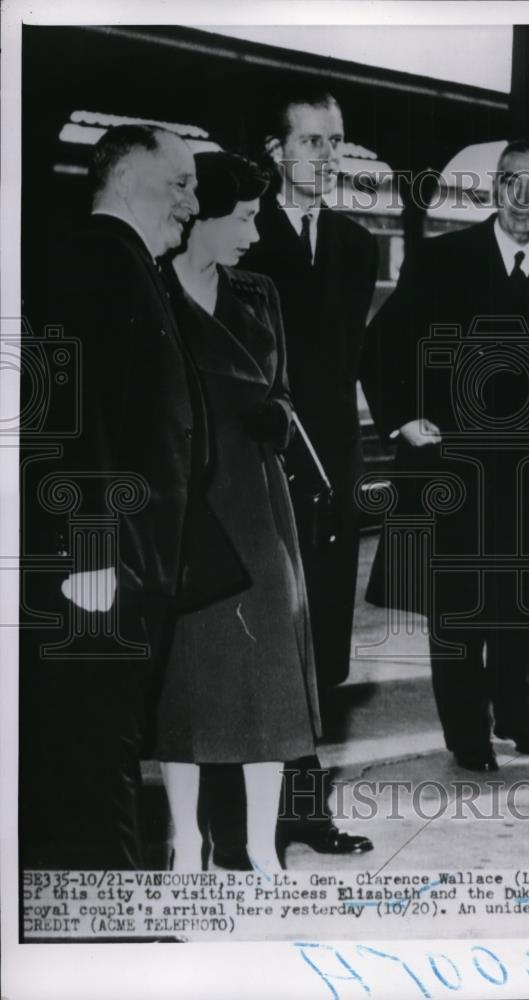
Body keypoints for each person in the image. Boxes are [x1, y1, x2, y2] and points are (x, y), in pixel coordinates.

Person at [19, 125, 247, 869]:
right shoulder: (93, 258)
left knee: (104, 733)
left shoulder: (128, 263)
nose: (192, 201)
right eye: (178, 183)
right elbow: (68, 412)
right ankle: (110, 920)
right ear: (123, 180)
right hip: (100, 559)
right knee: (97, 738)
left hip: (131, 555)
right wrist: (88, 548)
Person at [363, 140, 529, 772]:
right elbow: (379, 345)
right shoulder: (442, 259)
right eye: (510, 182)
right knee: (458, 609)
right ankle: (467, 736)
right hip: (455, 468)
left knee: (525, 606)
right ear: (493, 189)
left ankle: (517, 718)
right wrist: (401, 420)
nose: (523, 198)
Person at [154, 151, 322, 872]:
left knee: (269, 679)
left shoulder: (259, 291)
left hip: (256, 501)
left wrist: (277, 418)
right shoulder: (151, 291)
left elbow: (284, 389)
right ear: (204, 215)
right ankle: (185, 842)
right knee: (185, 684)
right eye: (246, 217)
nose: (256, 232)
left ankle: (259, 846)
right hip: (185, 499)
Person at [227, 88, 376, 857]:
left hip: (333, 469)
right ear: (275, 150)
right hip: (261, 463)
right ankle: (243, 822)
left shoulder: (357, 244)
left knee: (325, 643)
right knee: (259, 643)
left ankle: (305, 814)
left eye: (336, 141)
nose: (326, 155)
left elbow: (357, 356)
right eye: (312, 141)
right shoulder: (241, 236)